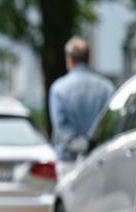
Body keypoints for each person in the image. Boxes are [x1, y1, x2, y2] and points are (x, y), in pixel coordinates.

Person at [48, 37, 115, 175]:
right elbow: (110, 124)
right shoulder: (106, 87)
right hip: (99, 160)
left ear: (69, 60)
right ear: (88, 59)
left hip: (68, 161)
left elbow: (61, 127)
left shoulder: (58, 89)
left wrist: (78, 145)